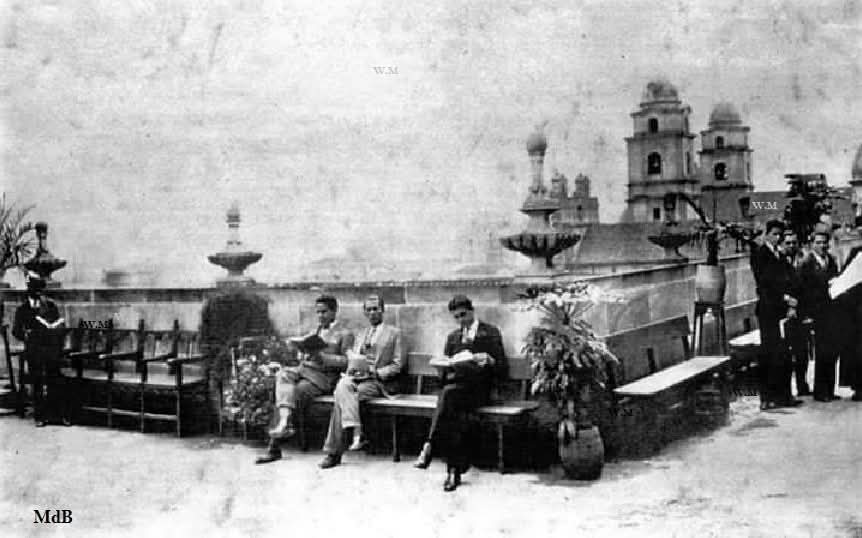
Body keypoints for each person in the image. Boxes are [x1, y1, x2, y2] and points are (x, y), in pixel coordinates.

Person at [413, 294, 506, 492]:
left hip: (480, 391)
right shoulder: (453, 337)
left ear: (472, 311)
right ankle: (453, 471)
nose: (460, 320)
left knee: (449, 399)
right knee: (454, 412)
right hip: (456, 391)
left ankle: (430, 445)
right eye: (456, 317)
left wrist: (490, 360)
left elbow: (502, 369)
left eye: (463, 315)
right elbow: (446, 368)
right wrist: (441, 367)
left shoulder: (490, 332)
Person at [255, 295, 354, 464]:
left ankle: (274, 446)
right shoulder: (315, 330)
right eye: (318, 312)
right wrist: (302, 349)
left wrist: (323, 357)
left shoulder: (345, 334)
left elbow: (346, 361)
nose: (320, 316)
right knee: (282, 376)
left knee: (292, 393)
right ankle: (284, 422)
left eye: (324, 312)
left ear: (334, 311)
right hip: (304, 370)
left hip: (322, 378)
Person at [318, 295, 404, 469]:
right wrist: (354, 367)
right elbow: (354, 358)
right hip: (359, 378)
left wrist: (376, 372)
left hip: (379, 383)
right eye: (369, 310)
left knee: (342, 397)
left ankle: (334, 452)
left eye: (375, 309)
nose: (372, 313)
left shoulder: (394, 333)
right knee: (342, 387)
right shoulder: (361, 334)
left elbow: (398, 365)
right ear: (365, 312)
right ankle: (356, 432)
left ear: (382, 310)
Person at [750, 220, 801, 409]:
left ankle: (784, 396)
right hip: (768, 310)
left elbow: (789, 279)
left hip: (780, 311)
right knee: (769, 354)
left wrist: (790, 298)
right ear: (766, 234)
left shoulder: (779, 254)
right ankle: (767, 398)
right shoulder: (760, 254)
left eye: (780, 234)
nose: (778, 237)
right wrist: (785, 297)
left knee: (783, 354)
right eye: (775, 234)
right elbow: (765, 284)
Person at [12, 272, 70, 427]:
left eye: (40, 290)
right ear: (29, 290)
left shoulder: (50, 305)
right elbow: (16, 331)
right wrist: (26, 335)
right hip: (34, 349)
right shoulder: (22, 309)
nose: (38, 293)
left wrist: (56, 329)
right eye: (35, 289)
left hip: (50, 348)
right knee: (37, 381)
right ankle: (40, 416)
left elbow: (58, 322)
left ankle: (56, 415)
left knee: (54, 379)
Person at [799, 230, 841, 402]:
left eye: (825, 242)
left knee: (831, 350)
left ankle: (830, 389)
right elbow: (803, 290)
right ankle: (820, 391)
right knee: (821, 351)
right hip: (816, 312)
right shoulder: (806, 263)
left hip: (831, 312)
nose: (822, 246)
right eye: (818, 242)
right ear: (812, 244)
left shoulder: (831, 260)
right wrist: (806, 314)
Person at [779, 230, 811, 397]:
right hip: (783, 312)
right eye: (788, 243)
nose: (791, 246)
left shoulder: (802, 261)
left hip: (801, 312)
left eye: (794, 243)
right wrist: (788, 302)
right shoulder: (779, 262)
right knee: (785, 352)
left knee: (802, 351)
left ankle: (801, 384)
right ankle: (786, 390)